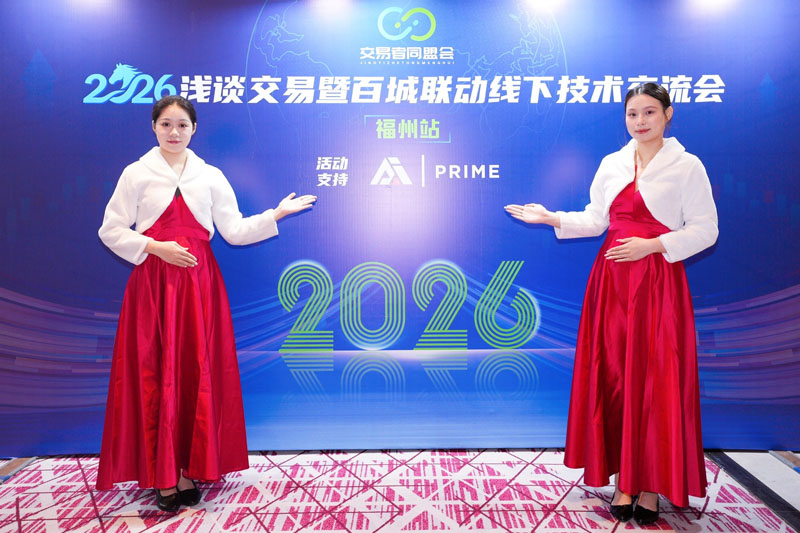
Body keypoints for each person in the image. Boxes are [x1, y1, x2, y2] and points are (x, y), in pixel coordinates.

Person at [505, 83, 717, 526]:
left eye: (650, 112)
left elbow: (705, 230)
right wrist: (550, 217)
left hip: (658, 283)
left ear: (668, 114)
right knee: (617, 376)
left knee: (656, 379)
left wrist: (652, 245)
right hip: (612, 285)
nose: (640, 121)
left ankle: (651, 486)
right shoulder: (612, 163)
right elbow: (596, 220)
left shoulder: (688, 166)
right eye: (632, 114)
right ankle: (623, 481)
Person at [96, 95, 317, 512]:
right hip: (154, 287)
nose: (174, 132)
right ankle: (161, 475)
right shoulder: (135, 173)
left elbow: (234, 230)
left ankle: (185, 471)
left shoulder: (210, 175)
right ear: (154, 127)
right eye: (166, 124)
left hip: (199, 287)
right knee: (155, 373)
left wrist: (276, 214)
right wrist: (155, 247)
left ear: (194, 129)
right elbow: (111, 230)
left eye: (182, 125)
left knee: (193, 372)